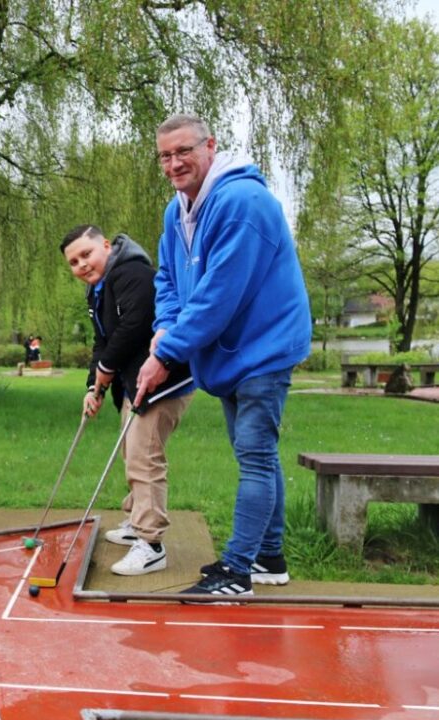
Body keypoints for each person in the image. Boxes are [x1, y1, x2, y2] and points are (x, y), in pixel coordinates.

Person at [136, 113, 311, 598]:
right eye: (165, 156)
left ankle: (237, 571)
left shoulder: (241, 203)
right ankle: (269, 558)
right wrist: (166, 324)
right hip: (231, 350)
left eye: (183, 151)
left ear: (210, 146)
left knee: (254, 455)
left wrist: (166, 353)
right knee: (254, 453)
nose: (174, 163)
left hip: (265, 345)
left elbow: (218, 295)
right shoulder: (178, 210)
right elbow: (167, 278)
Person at [60, 224, 193, 576]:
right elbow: (102, 343)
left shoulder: (132, 273)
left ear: (106, 245)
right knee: (131, 450)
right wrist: (94, 386)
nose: (82, 265)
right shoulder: (98, 290)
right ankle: (137, 520)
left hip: (164, 379)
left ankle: (151, 544)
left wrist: (106, 369)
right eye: (74, 262)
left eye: (86, 254)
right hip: (136, 382)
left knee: (144, 456)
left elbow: (136, 324)